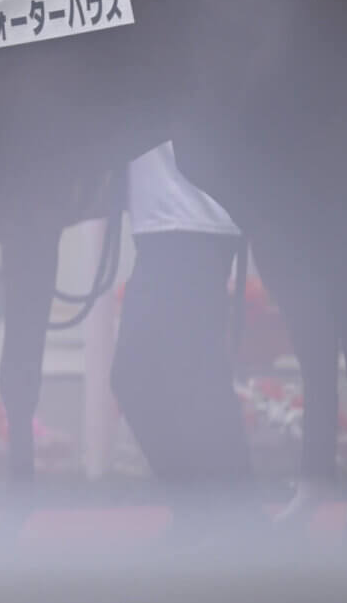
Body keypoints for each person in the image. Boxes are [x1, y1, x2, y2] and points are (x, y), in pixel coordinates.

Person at [109, 140, 253, 537]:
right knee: (187, 377)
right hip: (173, 222)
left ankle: (219, 516)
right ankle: (222, 516)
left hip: (188, 221)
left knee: (147, 377)